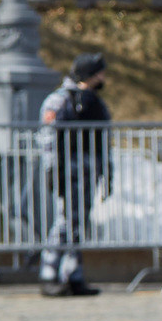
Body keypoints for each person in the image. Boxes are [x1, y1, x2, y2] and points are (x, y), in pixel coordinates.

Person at [38, 52, 111, 297]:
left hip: (88, 174)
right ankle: (49, 273)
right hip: (67, 172)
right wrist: (51, 169)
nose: (103, 77)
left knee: (79, 225)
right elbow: (48, 138)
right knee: (64, 222)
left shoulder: (96, 102)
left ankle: (73, 275)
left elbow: (104, 140)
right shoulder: (58, 100)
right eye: (99, 71)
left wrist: (107, 171)